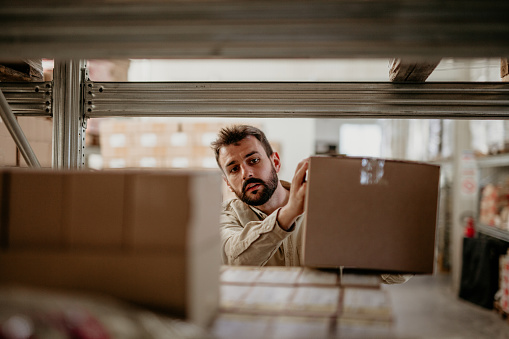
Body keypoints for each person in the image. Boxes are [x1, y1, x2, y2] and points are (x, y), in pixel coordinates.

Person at [211, 124, 411, 284]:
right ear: (227, 182)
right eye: (234, 169)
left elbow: (396, 275)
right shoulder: (225, 216)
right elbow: (234, 259)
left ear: (276, 163)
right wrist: (289, 213)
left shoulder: (327, 206)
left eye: (253, 160)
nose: (246, 174)